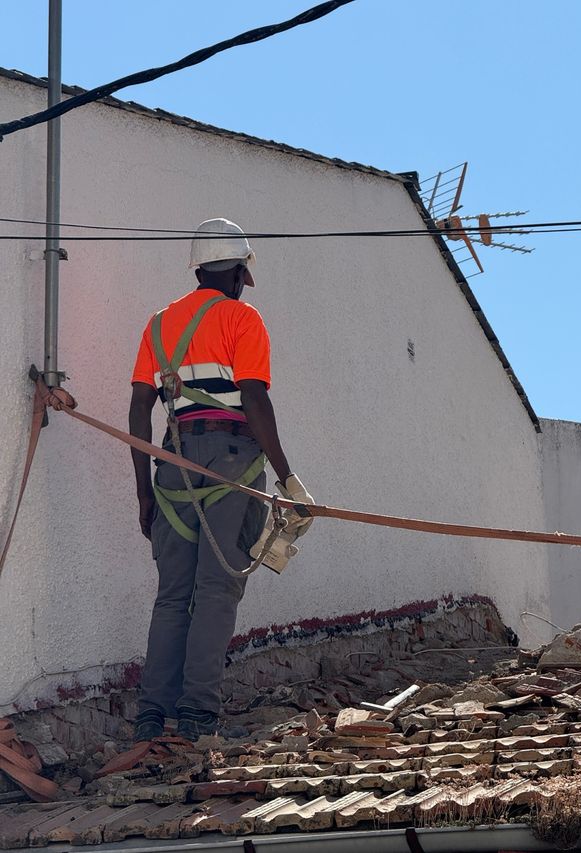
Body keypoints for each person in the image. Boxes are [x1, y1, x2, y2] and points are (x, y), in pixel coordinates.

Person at [128, 218, 313, 742]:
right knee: (216, 590)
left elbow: (139, 409)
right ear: (236, 272)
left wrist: (143, 491)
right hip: (232, 462)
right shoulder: (242, 317)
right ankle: (197, 716)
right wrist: (287, 477)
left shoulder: (159, 325)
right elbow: (253, 397)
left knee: (172, 595)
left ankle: (151, 716)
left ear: (198, 270)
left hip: (172, 464)